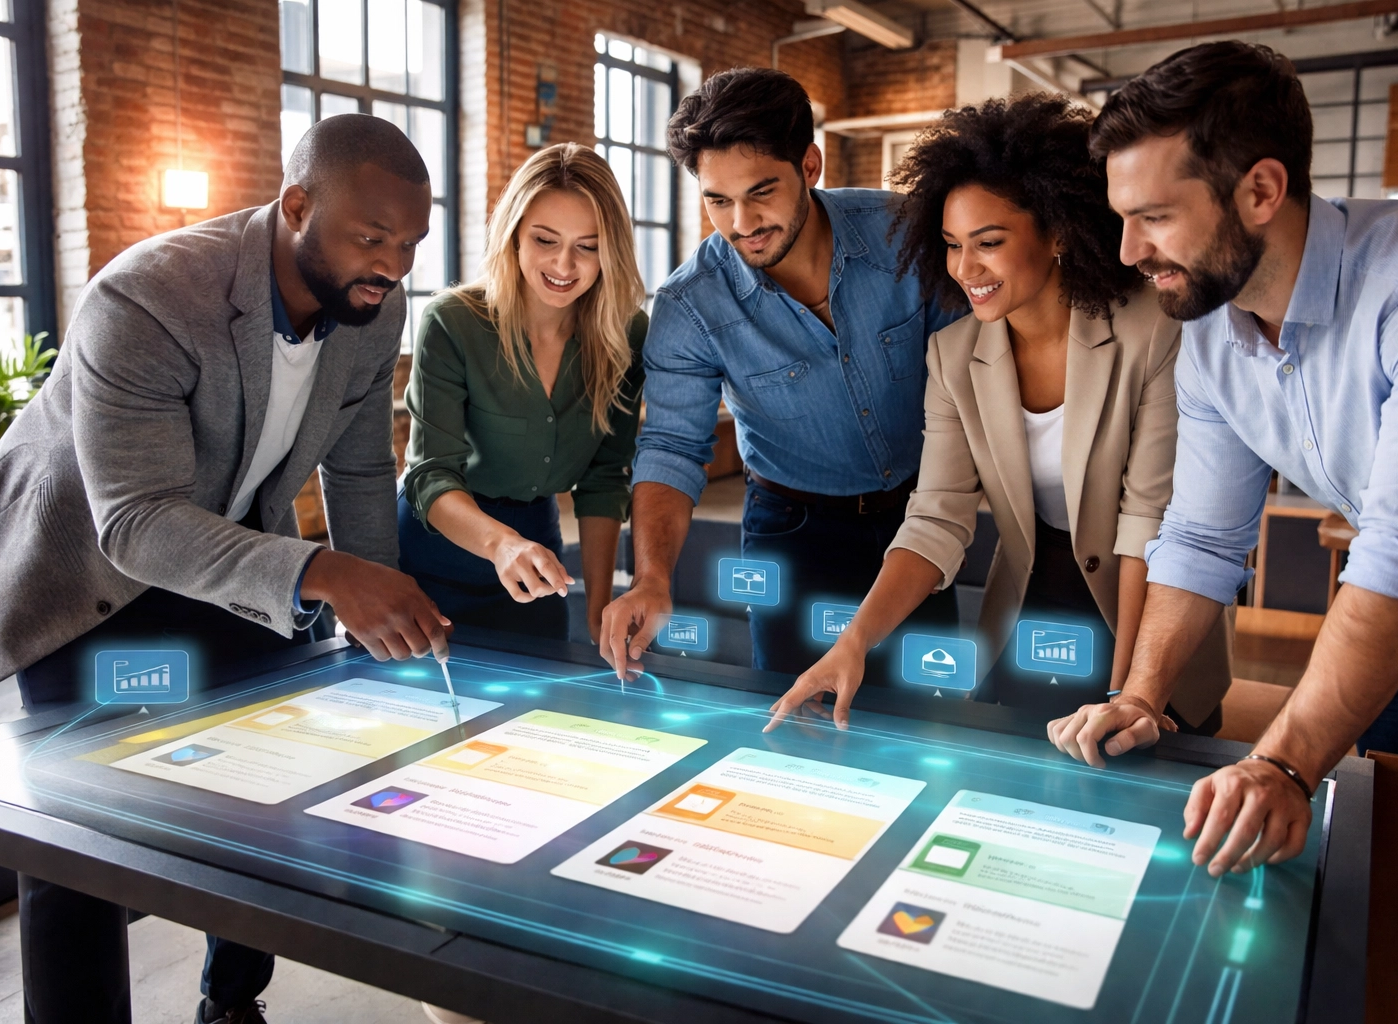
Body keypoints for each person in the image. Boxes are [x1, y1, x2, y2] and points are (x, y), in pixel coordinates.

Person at [0, 114, 449, 1024]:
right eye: (371, 235)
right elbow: (137, 522)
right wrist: (327, 574)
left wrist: (374, 613)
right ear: (297, 204)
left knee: (264, 797)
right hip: (91, 584)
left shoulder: (372, 306)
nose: (393, 263)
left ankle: (231, 1006)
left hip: (239, 561)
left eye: (410, 243)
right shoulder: (148, 298)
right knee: (82, 838)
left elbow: (357, 467)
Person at [1049, 41, 1398, 878]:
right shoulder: (1209, 333)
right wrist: (1140, 694)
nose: (1127, 252)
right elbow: (1200, 535)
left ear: (1261, 189)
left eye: (1153, 216)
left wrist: (1284, 761)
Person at [766, 95, 1233, 731]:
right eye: (952, 245)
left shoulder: (1152, 330)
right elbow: (936, 515)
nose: (966, 269)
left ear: (1059, 229)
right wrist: (853, 644)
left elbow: (1146, 524)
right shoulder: (953, 356)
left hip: (1148, 595)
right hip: (1034, 591)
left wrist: (1129, 693)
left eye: (989, 242)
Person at [598, 67, 961, 683]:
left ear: (810, 167)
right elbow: (670, 448)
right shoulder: (690, 305)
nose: (741, 222)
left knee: (933, 712)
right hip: (792, 531)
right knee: (796, 723)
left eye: (761, 191)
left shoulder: (906, 236)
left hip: (919, 514)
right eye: (717, 200)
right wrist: (653, 579)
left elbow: (977, 369)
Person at [399, 143, 647, 644]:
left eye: (588, 245)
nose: (564, 263)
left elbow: (604, 479)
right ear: (512, 236)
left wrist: (599, 612)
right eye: (545, 239)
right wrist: (503, 545)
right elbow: (430, 475)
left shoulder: (628, 332)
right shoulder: (452, 321)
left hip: (538, 557)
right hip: (432, 553)